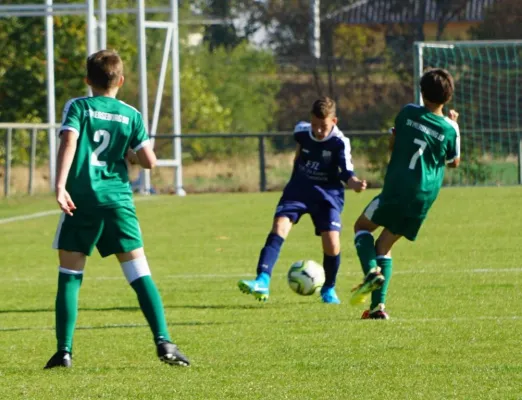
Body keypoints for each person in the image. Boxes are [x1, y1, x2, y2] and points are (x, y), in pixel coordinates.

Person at [45, 49, 190, 368]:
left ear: (87, 80)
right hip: (117, 200)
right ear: (120, 81)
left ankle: (64, 351)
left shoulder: (78, 106)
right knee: (139, 273)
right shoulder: (131, 115)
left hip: (81, 198)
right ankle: (164, 341)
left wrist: (59, 185)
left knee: (70, 274)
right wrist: (129, 153)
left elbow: (69, 141)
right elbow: (149, 161)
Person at [350, 68, 461, 319]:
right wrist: (454, 124)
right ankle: (378, 309)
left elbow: (393, 143)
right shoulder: (450, 129)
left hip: (399, 187)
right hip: (423, 197)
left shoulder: (408, 112)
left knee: (361, 228)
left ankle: (371, 272)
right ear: (448, 97)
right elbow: (454, 161)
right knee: (384, 246)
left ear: (422, 93)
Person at [238, 97, 367, 304]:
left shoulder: (339, 142)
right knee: (279, 226)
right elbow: (298, 155)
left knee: (332, 242)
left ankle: (329, 288)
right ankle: (262, 280)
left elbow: (346, 172)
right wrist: (295, 178)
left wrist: (354, 183)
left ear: (334, 121)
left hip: (328, 194)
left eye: (323, 126)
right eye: (314, 124)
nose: (317, 131)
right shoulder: (301, 131)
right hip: (299, 190)